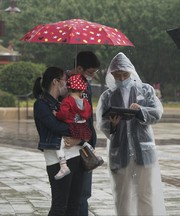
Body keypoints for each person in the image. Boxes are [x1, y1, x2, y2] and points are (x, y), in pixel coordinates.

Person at [96, 52, 166, 215]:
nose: (121, 78)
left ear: (131, 73)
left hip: (143, 150)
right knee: (122, 195)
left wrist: (141, 111)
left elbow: (156, 113)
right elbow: (102, 122)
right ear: (112, 75)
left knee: (145, 194)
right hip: (119, 151)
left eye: (124, 74)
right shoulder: (107, 96)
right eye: (117, 75)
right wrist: (112, 125)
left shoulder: (146, 90)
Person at [33, 66, 85, 215]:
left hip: (76, 156)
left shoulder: (65, 102)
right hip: (57, 161)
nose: (68, 84)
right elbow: (56, 127)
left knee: (74, 205)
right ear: (56, 82)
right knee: (59, 206)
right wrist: (79, 131)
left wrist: (80, 135)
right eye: (65, 80)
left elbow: (85, 125)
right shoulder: (42, 105)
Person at [66, 51, 101, 216]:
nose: (91, 76)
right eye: (90, 72)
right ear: (79, 68)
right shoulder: (65, 86)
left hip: (86, 144)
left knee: (84, 193)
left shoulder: (86, 87)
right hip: (72, 145)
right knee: (73, 194)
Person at [54, 74, 103, 180]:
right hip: (83, 128)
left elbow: (63, 115)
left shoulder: (67, 101)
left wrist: (56, 114)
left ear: (69, 88)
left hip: (72, 128)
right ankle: (95, 155)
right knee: (83, 143)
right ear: (82, 91)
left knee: (58, 145)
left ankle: (63, 166)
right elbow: (87, 114)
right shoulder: (85, 102)